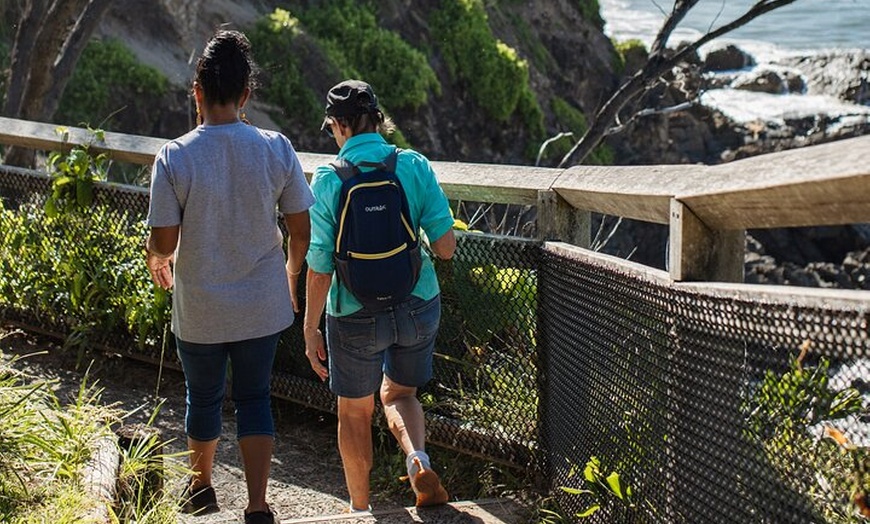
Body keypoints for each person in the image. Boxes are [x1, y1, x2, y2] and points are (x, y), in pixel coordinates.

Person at [144, 29, 313, 524]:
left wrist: (156, 258)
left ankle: (200, 489)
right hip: (262, 300)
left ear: (197, 93)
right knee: (256, 397)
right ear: (246, 95)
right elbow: (301, 229)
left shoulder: (175, 156)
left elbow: (166, 242)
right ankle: (258, 506)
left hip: (200, 305)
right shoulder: (275, 148)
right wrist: (290, 271)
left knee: (203, 396)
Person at [303, 79, 456, 512]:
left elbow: (320, 267)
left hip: (353, 311)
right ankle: (417, 459)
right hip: (417, 302)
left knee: (354, 411)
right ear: (379, 121)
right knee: (401, 394)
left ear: (337, 126)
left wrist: (310, 327)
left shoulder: (330, 179)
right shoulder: (412, 165)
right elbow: (446, 248)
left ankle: (359, 509)